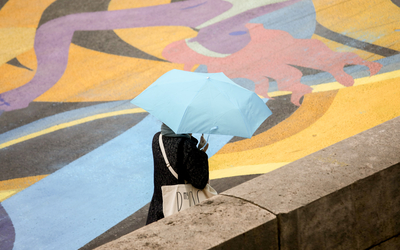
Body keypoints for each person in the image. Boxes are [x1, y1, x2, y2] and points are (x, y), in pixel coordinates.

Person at [146, 123, 209, 225]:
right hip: (180, 210)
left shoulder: (157, 138)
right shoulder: (186, 145)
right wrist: (201, 155)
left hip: (158, 210)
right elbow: (200, 181)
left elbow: (176, 163)